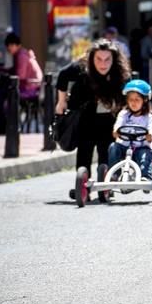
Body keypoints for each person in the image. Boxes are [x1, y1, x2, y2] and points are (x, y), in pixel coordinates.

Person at [55, 39, 131, 198]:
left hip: (109, 118)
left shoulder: (120, 72)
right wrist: (61, 102)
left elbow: (130, 91)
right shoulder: (82, 67)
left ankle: (106, 185)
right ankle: (82, 187)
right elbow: (62, 75)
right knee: (84, 151)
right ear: (92, 58)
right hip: (85, 117)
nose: (103, 64)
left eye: (107, 59)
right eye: (98, 59)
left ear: (114, 59)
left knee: (106, 151)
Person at [108, 79, 152, 180]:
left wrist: (150, 135)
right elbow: (118, 124)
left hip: (141, 147)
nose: (133, 103)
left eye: (137, 100)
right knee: (113, 147)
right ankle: (114, 174)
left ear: (145, 100)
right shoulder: (124, 114)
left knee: (145, 154)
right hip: (124, 146)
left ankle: (145, 176)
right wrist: (116, 130)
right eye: (130, 99)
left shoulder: (148, 117)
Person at [4, 32, 43, 101]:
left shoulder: (22, 56)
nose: (8, 49)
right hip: (32, 86)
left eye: (9, 46)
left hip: (30, 88)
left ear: (14, 45)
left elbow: (21, 76)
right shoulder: (22, 54)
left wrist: (8, 77)